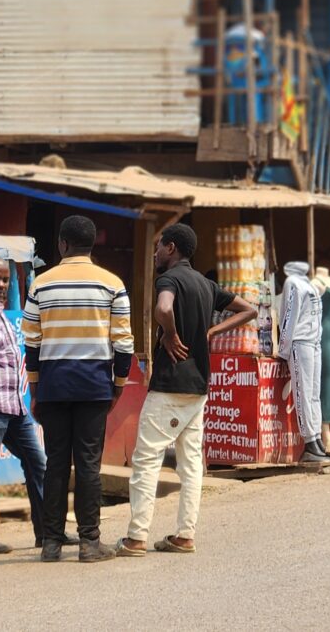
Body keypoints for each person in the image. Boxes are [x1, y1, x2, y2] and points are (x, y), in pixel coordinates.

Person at [114, 224, 256, 557]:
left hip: (169, 385)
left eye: (159, 246)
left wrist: (169, 334)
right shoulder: (206, 285)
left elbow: (164, 308)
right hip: (198, 387)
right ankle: (185, 535)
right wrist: (211, 332)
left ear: (171, 248)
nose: (155, 253)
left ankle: (136, 538)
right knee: (190, 464)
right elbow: (249, 309)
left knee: (147, 460)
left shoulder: (169, 279)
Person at [23, 215, 134, 563]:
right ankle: (89, 543)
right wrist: (117, 384)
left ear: (62, 244)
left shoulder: (41, 284)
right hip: (94, 384)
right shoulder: (112, 283)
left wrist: (37, 390)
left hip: (54, 384)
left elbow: (32, 342)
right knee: (88, 464)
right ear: (91, 244)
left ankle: (51, 544)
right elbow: (124, 342)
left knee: (55, 464)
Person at [0, 256, 77, 554]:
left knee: (39, 464)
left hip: (15, 408)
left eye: (4, 280)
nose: (1, 285)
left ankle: (48, 532)